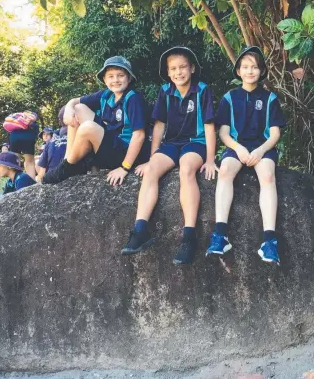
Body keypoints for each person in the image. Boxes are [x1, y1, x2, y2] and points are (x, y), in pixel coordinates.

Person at [122, 46, 216, 265]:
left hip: (196, 142)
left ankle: (189, 237)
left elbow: (210, 126)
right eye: (173, 68)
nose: (178, 72)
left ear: (192, 68)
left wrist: (210, 159)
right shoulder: (165, 90)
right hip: (171, 143)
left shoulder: (202, 90)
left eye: (183, 67)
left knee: (186, 168)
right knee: (152, 171)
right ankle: (140, 230)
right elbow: (159, 124)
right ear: (167, 72)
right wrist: (153, 156)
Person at [206, 46, 286, 264]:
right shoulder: (229, 98)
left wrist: (260, 150)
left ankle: (269, 241)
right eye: (245, 67)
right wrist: (239, 148)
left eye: (255, 67)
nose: (250, 71)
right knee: (225, 172)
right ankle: (220, 235)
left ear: (261, 71)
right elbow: (223, 132)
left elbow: (274, 133)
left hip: (263, 146)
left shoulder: (270, 99)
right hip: (236, 146)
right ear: (238, 71)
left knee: (268, 176)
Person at [42, 56, 150, 186]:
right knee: (78, 109)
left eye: (120, 75)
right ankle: (68, 161)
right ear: (104, 79)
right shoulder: (106, 95)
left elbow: (139, 135)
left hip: (126, 152)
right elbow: (75, 101)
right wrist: (69, 108)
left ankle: (69, 166)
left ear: (129, 78)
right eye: (110, 76)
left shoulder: (133, 98)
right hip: (110, 144)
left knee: (88, 127)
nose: (115, 80)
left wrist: (124, 167)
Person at [36, 110, 67, 182]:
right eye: (44, 134)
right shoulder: (45, 145)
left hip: (52, 176)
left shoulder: (49, 144)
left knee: (37, 162)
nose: (45, 136)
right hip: (56, 174)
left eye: (47, 134)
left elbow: (41, 172)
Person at [8, 115, 39, 179]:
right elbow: (35, 137)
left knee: (15, 161)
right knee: (29, 162)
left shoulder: (16, 122)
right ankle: (31, 183)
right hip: (28, 137)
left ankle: (15, 181)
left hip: (14, 137)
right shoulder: (35, 125)